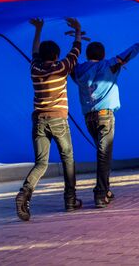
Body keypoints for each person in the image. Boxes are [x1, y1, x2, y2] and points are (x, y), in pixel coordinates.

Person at [71, 40, 139, 208]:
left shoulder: (78, 70)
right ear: (102, 55)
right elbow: (125, 56)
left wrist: (77, 37)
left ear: (88, 55)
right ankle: (100, 194)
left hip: (89, 119)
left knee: (103, 156)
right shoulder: (108, 65)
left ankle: (106, 190)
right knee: (104, 157)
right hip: (105, 116)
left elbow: (71, 61)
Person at [15, 17, 83, 221]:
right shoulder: (62, 67)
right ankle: (70, 200)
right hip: (58, 120)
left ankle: (24, 193)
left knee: (41, 163)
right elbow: (76, 49)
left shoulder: (34, 69)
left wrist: (38, 29)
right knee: (68, 158)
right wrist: (78, 30)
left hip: (38, 121)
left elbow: (34, 51)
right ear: (55, 55)